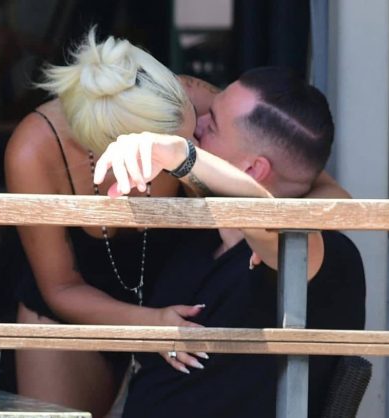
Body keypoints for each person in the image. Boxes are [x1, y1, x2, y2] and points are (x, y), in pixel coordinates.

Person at [4, 31, 346, 416]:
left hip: (179, 294)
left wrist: (277, 230)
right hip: (77, 309)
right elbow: (61, 286)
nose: (194, 141)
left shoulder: (187, 99)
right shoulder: (34, 149)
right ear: (110, 146)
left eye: (194, 140)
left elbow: (304, 178)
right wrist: (151, 324)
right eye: (173, 149)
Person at [95, 67, 366, 417]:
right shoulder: (200, 235)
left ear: (253, 170)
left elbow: (270, 224)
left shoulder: (326, 253)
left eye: (213, 125)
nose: (198, 125)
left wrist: (181, 156)